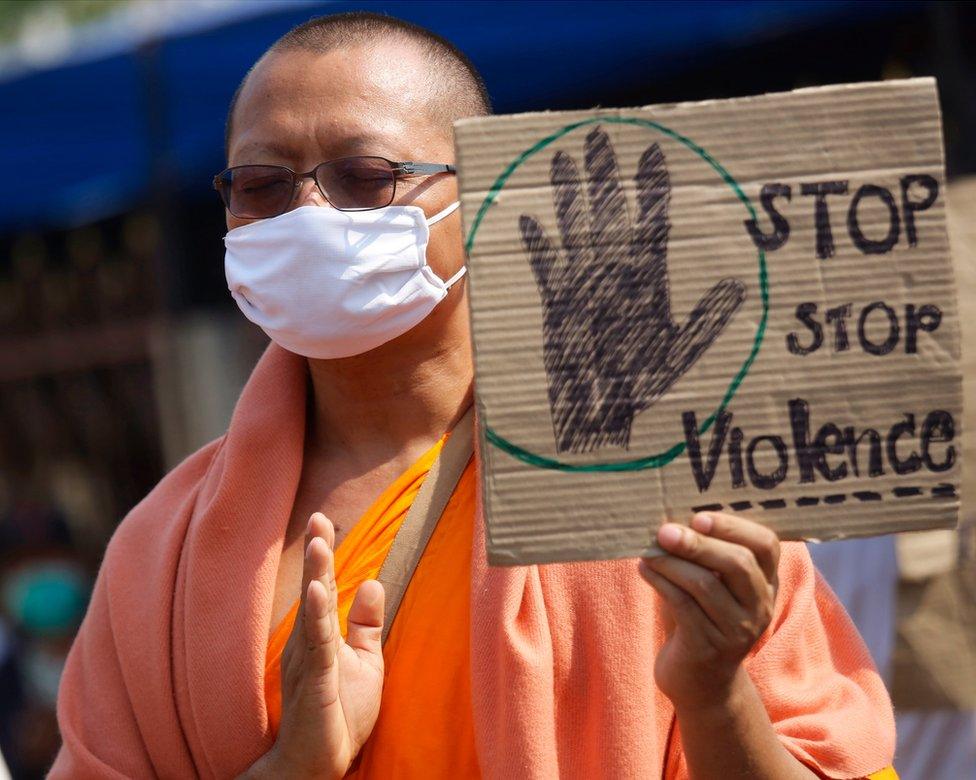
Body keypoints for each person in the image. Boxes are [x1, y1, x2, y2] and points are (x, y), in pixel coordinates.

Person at [51, 12, 897, 779]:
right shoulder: (163, 550)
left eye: (366, 175)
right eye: (263, 187)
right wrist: (290, 768)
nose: (307, 213)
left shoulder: (672, 483)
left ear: (485, 198)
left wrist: (715, 695)